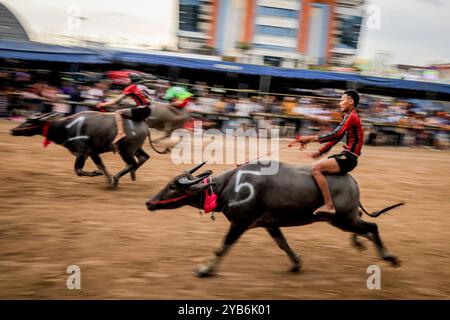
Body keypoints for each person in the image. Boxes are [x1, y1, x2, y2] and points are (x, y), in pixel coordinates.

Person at [298, 90, 363, 216]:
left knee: (316, 169)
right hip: (346, 155)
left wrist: (310, 138)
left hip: (348, 158)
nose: (340, 103)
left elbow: (336, 134)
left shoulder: (352, 116)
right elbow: (336, 138)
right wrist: (319, 152)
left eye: (342, 100)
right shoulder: (348, 116)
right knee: (319, 167)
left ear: (351, 101)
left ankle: (329, 205)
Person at [96, 73, 153, 145]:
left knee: (118, 112)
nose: (126, 80)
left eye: (128, 78)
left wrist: (102, 104)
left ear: (132, 79)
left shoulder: (131, 87)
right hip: (148, 110)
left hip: (142, 110)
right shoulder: (143, 87)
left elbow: (116, 101)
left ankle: (120, 133)